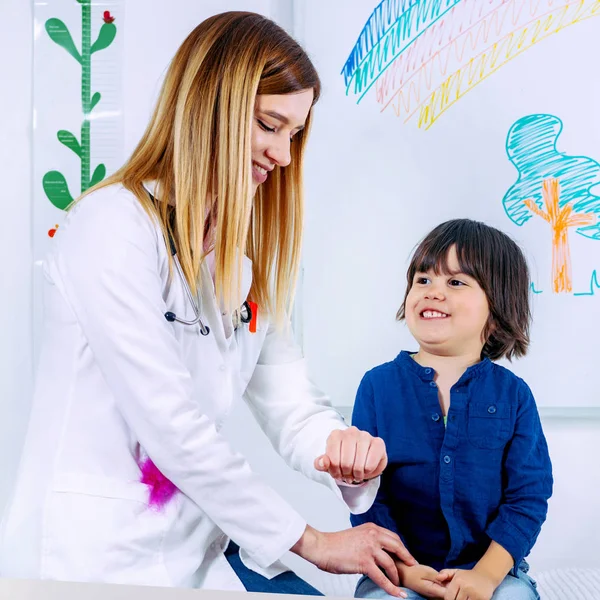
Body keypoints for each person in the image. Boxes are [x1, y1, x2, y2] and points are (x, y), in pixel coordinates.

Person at [0, 11, 414, 597]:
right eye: (270, 125)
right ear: (210, 107)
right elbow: (172, 428)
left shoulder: (237, 264)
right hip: (95, 560)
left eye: (293, 134)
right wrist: (313, 543)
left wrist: (341, 450)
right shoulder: (111, 227)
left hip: (195, 550)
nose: (284, 155)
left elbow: (291, 403)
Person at [351, 219, 553, 600]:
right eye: (423, 280)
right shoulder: (377, 387)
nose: (433, 292)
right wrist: (406, 572)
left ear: (496, 308)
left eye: (456, 282)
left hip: (489, 571)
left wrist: (485, 577)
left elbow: (528, 497)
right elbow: (366, 498)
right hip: (399, 571)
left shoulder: (514, 395)